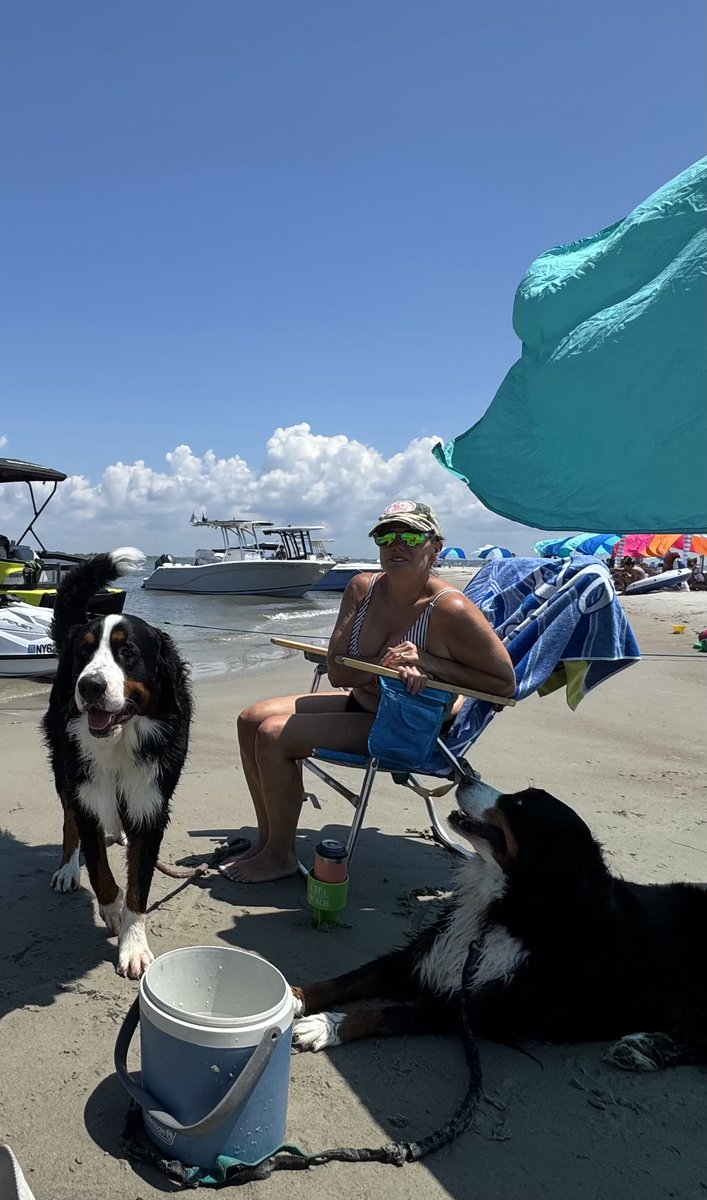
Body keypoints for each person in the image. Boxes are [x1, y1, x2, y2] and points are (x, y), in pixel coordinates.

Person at [219, 499, 516, 883]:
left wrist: (429, 661)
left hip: (408, 724)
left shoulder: (450, 609)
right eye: (386, 535)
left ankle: (280, 856)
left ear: (435, 546)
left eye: (411, 535)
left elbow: (503, 685)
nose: (397, 544)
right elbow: (340, 672)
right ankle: (269, 840)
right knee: (249, 718)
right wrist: (383, 666)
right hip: (362, 702)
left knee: (273, 734)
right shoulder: (362, 588)